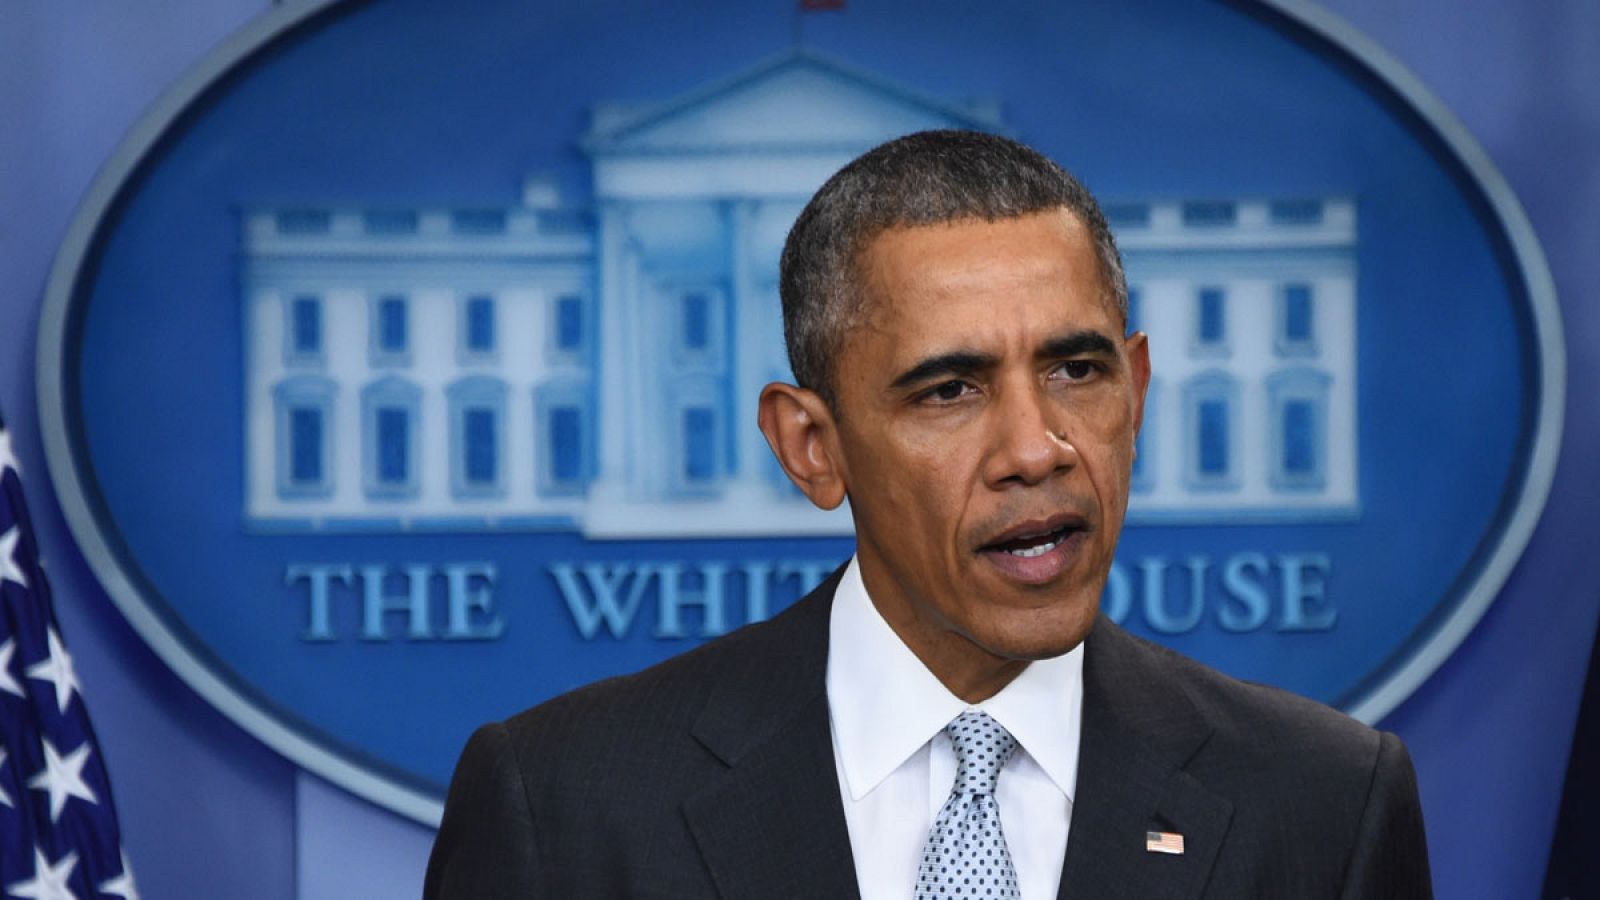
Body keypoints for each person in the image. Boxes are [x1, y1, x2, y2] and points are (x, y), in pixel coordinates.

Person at [424, 130, 1433, 899]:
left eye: (1076, 370)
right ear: (812, 448)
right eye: (949, 390)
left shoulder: (1322, 804)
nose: (1037, 448)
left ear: (1135, 392)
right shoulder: (563, 808)